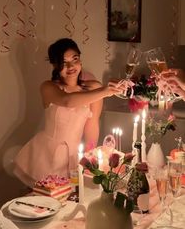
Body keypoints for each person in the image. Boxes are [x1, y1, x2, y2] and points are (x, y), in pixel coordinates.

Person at [13, 38, 127, 187]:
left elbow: (92, 125)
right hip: (46, 155)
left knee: (73, 200)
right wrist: (105, 92)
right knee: (44, 202)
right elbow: (67, 101)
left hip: (74, 155)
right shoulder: (48, 87)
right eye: (63, 62)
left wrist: (89, 157)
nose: (71, 66)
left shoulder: (94, 88)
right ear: (54, 65)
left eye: (75, 59)